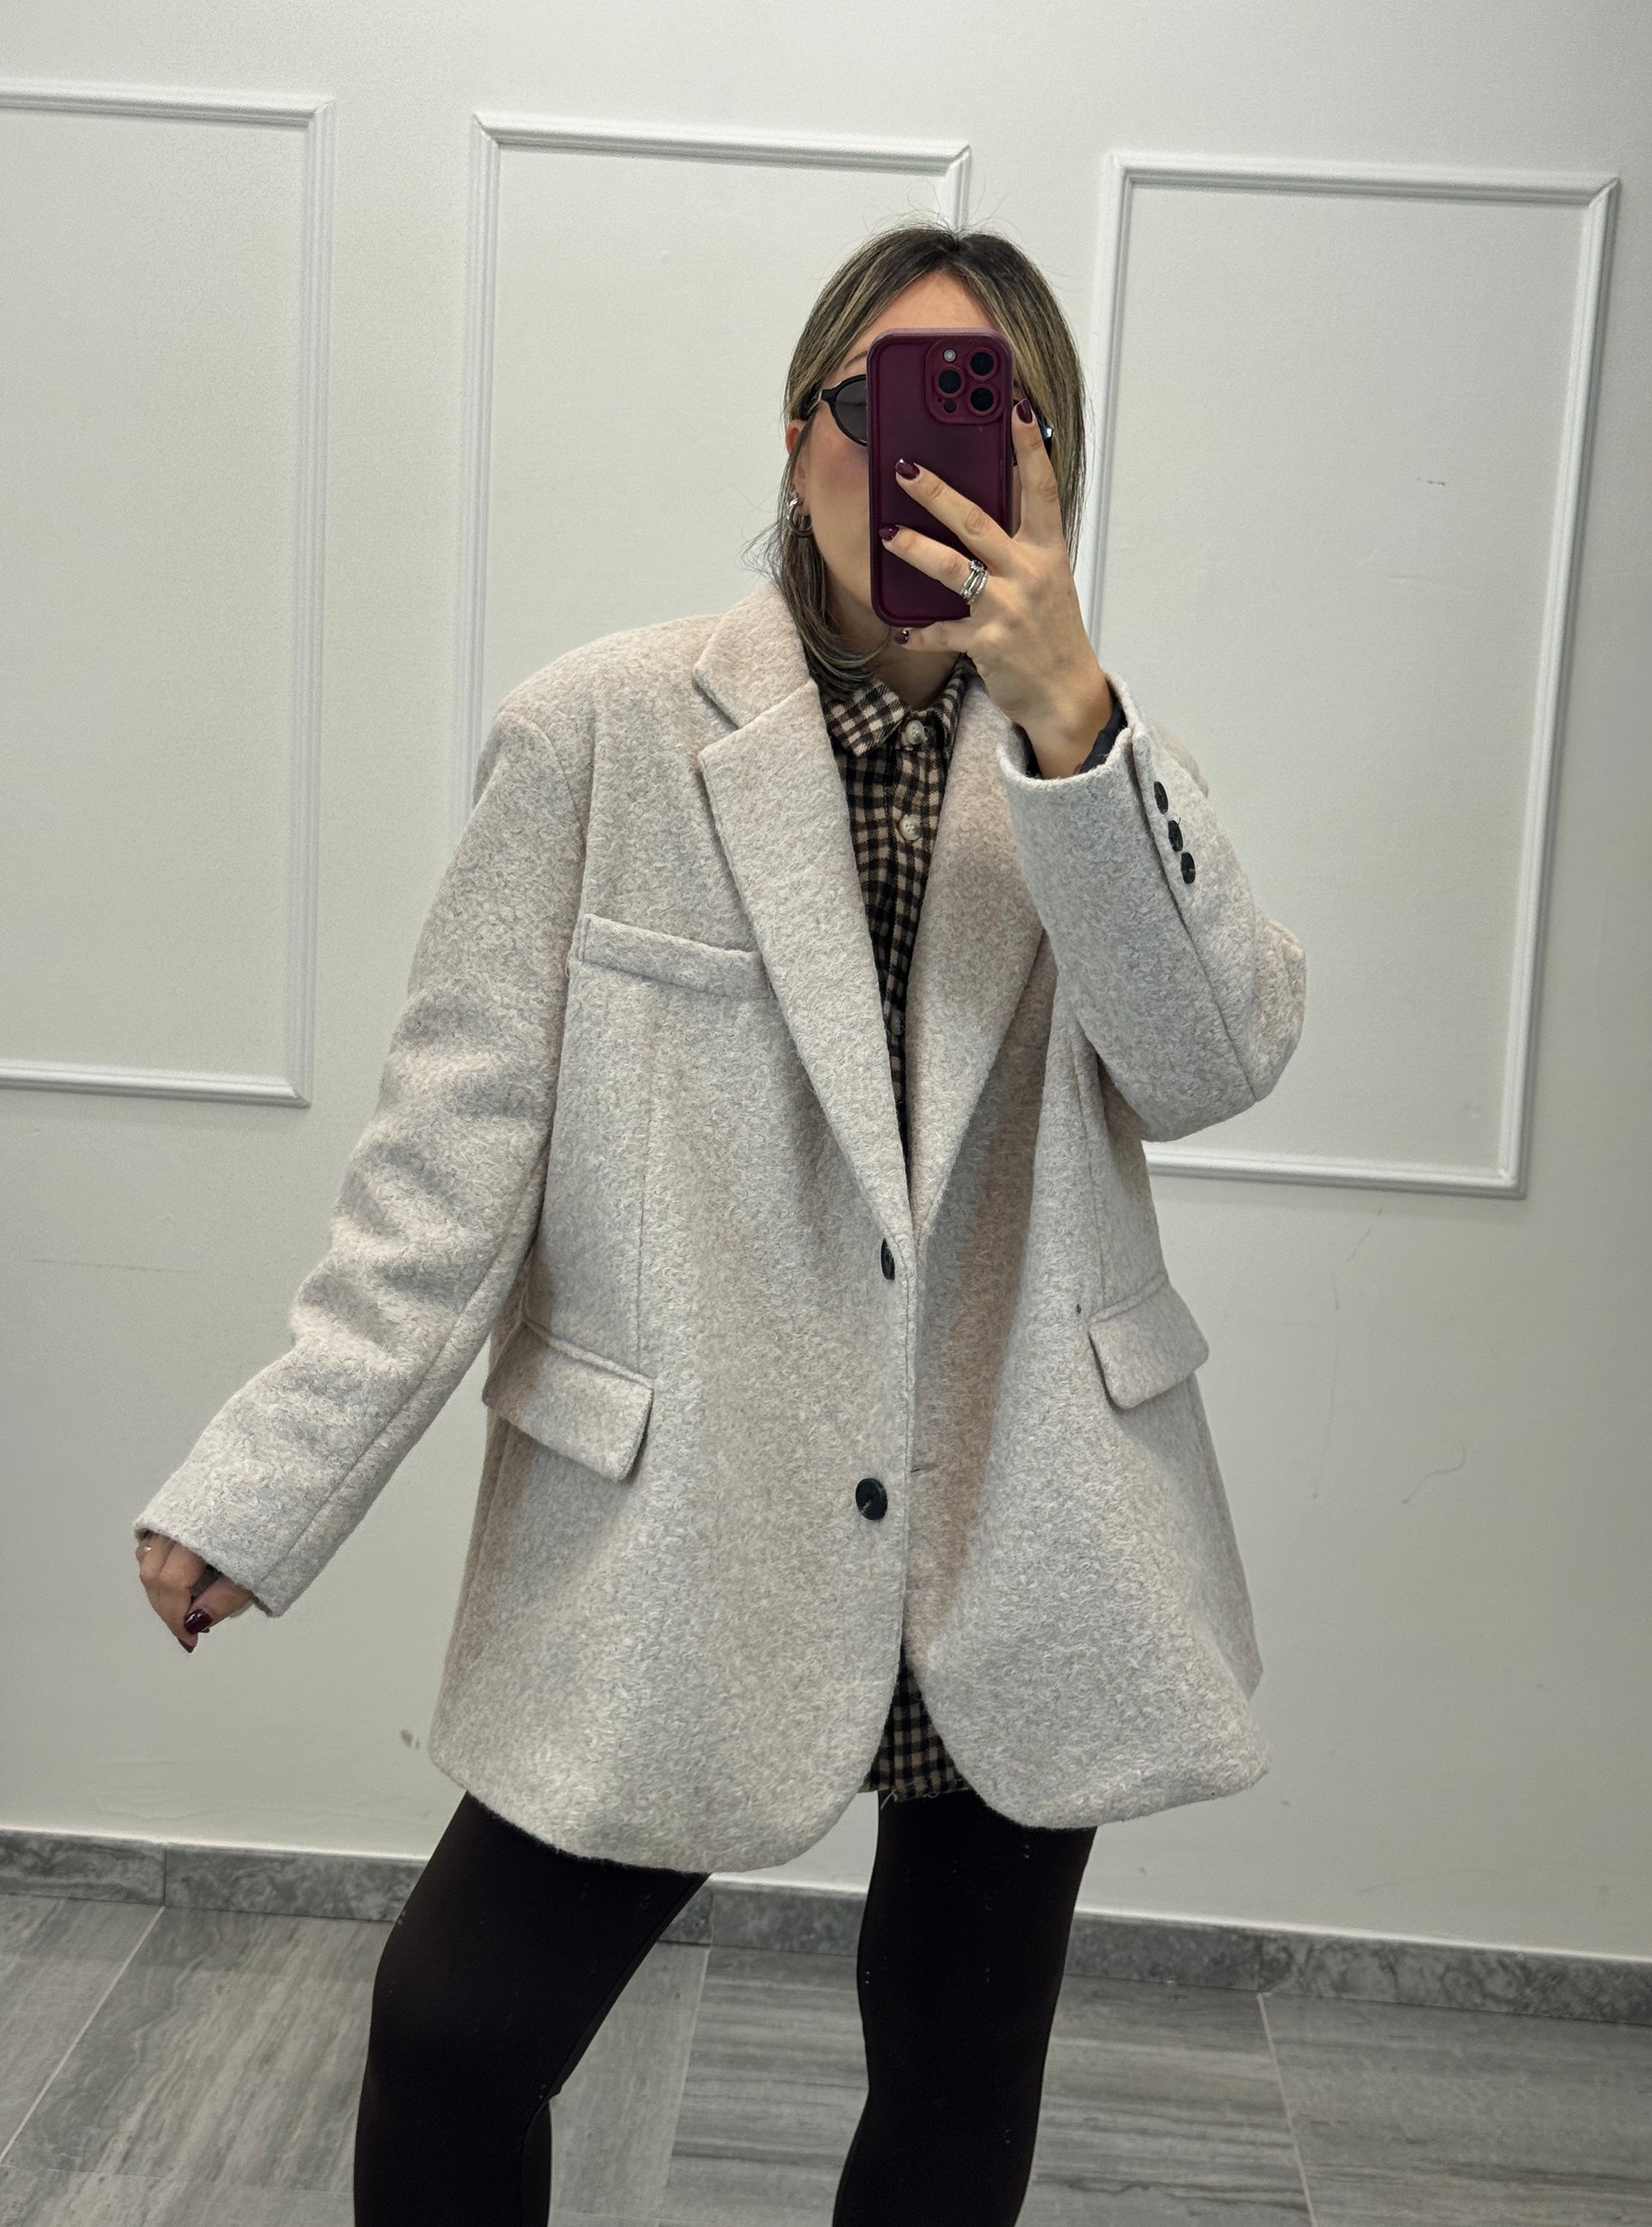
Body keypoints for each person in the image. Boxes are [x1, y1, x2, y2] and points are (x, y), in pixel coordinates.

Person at [134, 218, 1305, 2224]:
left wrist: (1073, 727)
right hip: (687, 1513)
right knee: (455, 2028)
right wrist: (270, 1476)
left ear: (1047, 463)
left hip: (1013, 1512)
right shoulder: (602, 728)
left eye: (988, 413)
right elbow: (450, 1159)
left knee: (953, 2068)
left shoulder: (1104, 767)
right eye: (876, 402)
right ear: (795, 433)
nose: (918, 455)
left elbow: (1209, 1061)